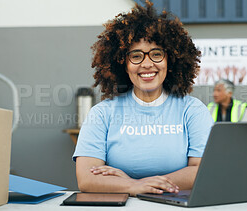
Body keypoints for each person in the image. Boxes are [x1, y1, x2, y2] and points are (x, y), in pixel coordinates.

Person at [72, 1, 213, 197]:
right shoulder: (102, 113)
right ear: (123, 64)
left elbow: (202, 171)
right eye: (136, 56)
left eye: (156, 54)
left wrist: (136, 184)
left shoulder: (193, 110)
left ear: (169, 60)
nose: (147, 64)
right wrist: (132, 187)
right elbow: (87, 179)